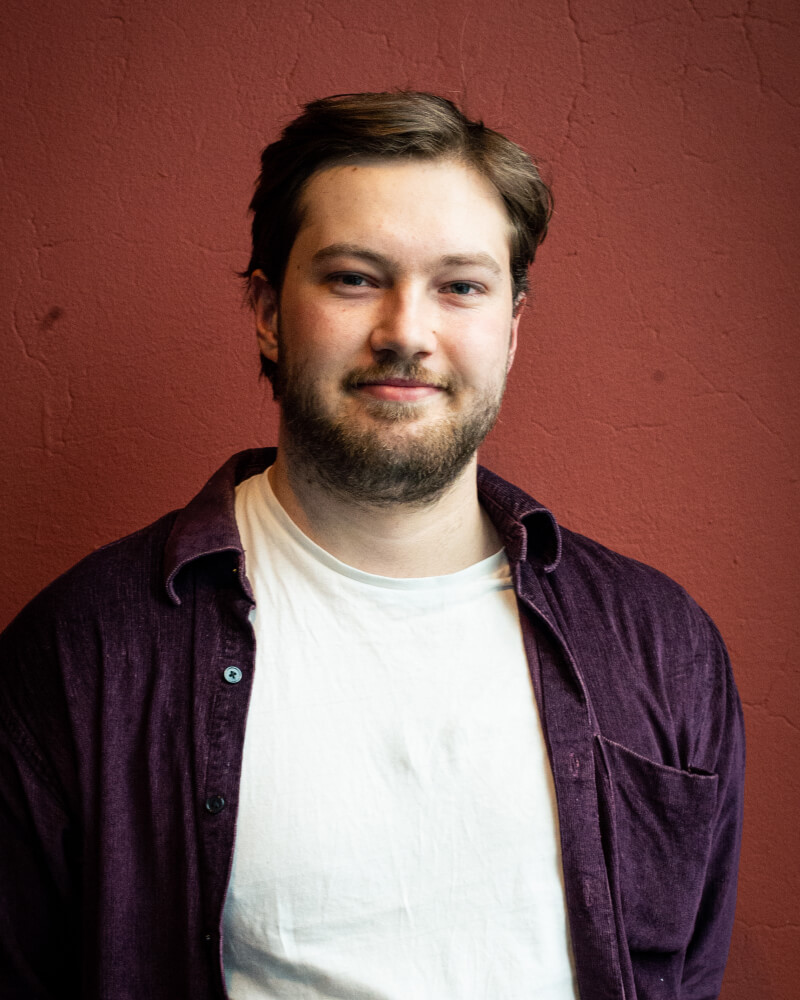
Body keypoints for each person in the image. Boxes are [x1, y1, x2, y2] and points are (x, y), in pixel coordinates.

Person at [0, 91, 743, 1000]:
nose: (406, 333)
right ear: (269, 311)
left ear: (510, 328)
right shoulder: (81, 655)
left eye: (461, 286)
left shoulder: (661, 648)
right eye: (354, 277)